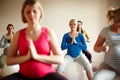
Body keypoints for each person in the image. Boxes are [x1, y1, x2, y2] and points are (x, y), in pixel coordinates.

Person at [1, 0, 68, 80]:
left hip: (47, 75)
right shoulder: (18, 34)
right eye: (28, 12)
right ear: (24, 15)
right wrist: (27, 57)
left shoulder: (49, 32)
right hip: (23, 76)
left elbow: (60, 59)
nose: (31, 14)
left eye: (34, 11)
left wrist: (36, 56)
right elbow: (8, 60)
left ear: (40, 13)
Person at [93, 7, 120, 80]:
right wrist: (102, 48)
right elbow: (95, 48)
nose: (118, 26)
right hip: (109, 67)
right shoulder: (106, 30)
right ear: (114, 19)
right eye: (117, 22)